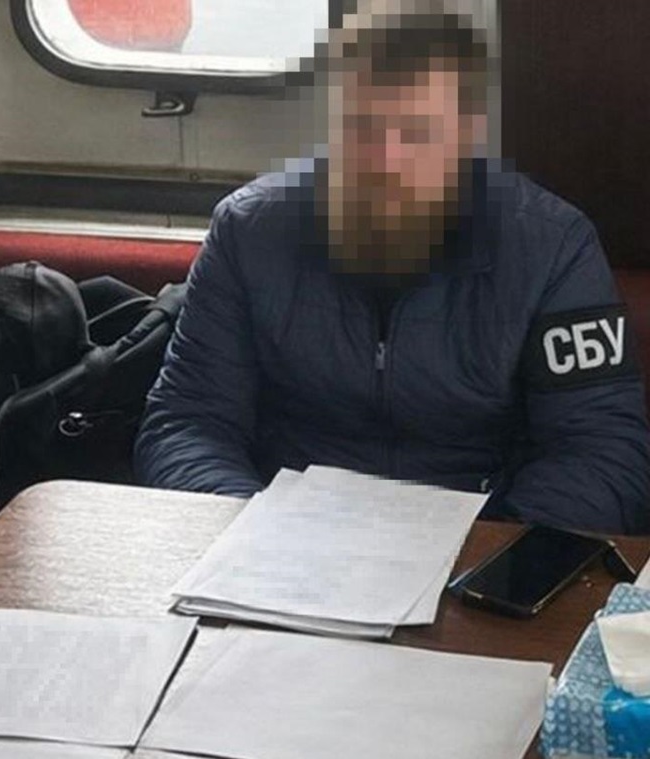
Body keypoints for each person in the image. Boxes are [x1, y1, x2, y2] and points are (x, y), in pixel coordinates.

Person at [134, 0, 650, 534]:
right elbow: (188, 422)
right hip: (279, 536)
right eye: (362, 127)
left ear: (468, 132)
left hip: (483, 535)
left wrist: (495, 559)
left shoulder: (553, 247)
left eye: (418, 131)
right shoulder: (247, 232)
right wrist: (245, 534)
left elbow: (602, 452)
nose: (385, 160)